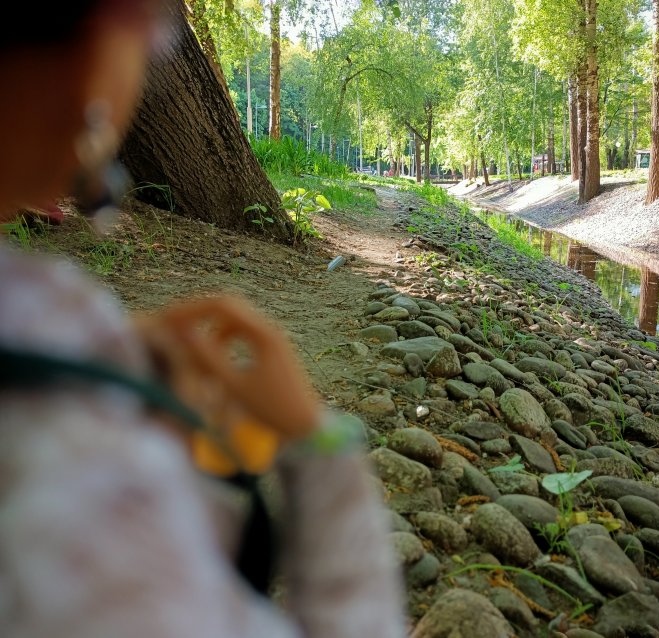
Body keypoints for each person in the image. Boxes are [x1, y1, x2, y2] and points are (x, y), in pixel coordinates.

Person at [0, 2, 405, 637]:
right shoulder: (56, 339)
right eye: (154, 35)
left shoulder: (50, 333)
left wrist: (143, 439)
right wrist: (320, 449)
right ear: (99, 49)